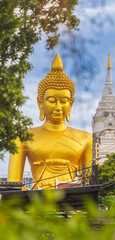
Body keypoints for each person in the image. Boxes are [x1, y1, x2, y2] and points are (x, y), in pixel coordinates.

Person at [7, 53, 92, 189]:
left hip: (73, 201)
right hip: (36, 203)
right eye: (52, 101)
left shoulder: (86, 138)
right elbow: (13, 185)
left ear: (71, 104)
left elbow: (90, 184)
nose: (58, 107)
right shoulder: (22, 137)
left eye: (64, 101)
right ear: (40, 103)